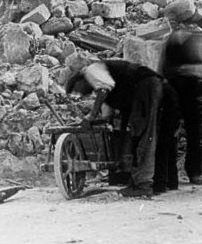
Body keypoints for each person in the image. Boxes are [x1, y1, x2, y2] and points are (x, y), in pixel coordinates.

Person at [65, 59, 179, 198]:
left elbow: (103, 89)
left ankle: (142, 185)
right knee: (154, 135)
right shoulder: (106, 85)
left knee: (144, 136)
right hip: (154, 86)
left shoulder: (91, 71)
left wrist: (91, 116)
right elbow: (108, 115)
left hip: (146, 86)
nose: (82, 94)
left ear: (80, 79)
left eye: (78, 89)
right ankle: (161, 183)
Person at [162, 31, 202, 186]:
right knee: (171, 132)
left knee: (195, 132)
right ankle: (170, 175)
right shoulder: (174, 46)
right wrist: (191, 70)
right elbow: (167, 72)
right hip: (173, 94)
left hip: (191, 94)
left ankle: (193, 171)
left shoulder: (192, 45)